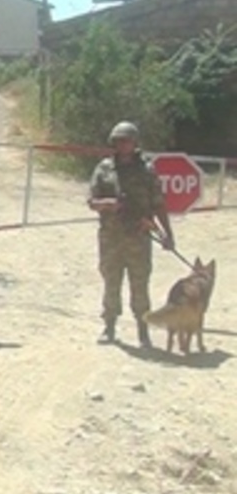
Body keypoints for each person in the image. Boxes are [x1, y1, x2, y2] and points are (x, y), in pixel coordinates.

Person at [87, 120, 173, 346]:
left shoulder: (147, 170)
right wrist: (108, 203)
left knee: (140, 284)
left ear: (135, 143)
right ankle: (110, 326)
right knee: (111, 281)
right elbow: (91, 201)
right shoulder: (104, 168)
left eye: (127, 140)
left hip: (138, 237)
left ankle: (143, 330)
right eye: (119, 140)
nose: (123, 144)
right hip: (111, 237)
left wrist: (167, 234)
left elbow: (158, 204)